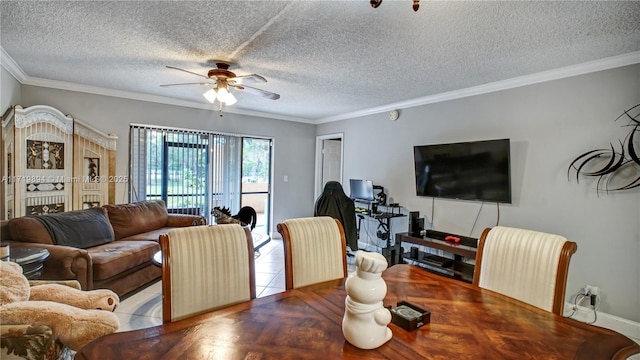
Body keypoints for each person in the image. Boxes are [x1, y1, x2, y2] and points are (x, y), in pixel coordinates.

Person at [314, 181, 358, 252]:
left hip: (323, 235)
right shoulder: (348, 203)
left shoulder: (319, 201)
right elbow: (350, 223)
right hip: (340, 234)